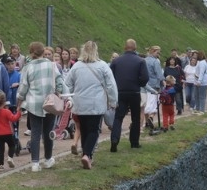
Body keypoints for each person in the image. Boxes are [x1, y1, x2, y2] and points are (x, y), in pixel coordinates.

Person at [63, 41, 117, 169]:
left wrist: (69, 97)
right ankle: (87, 155)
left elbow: (67, 84)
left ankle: (86, 154)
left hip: (80, 103)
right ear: (95, 51)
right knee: (94, 130)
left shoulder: (76, 66)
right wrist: (113, 101)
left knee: (84, 129)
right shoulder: (103, 66)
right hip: (96, 103)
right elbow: (111, 85)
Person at [15, 41, 64, 172]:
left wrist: (19, 101)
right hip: (50, 102)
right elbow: (59, 80)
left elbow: (23, 87)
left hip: (33, 103)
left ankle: (35, 163)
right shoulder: (52, 65)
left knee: (35, 133)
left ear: (31, 53)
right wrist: (59, 91)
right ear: (43, 52)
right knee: (48, 132)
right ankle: (48, 159)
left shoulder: (27, 67)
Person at [109, 39, 149, 153]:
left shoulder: (116, 61)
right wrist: (139, 84)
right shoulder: (141, 61)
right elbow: (145, 77)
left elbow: (110, 77)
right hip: (134, 92)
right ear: (135, 48)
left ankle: (114, 140)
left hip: (120, 92)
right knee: (135, 118)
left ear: (124, 47)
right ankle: (134, 142)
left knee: (118, 117)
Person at [0, 91, 20, 171]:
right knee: (12, 145)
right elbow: (13, 119)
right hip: (7, 133)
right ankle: (10, 157)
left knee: (1, 149)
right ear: (4, 101)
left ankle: (1, 165)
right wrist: (19, 112)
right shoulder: (6, 111)